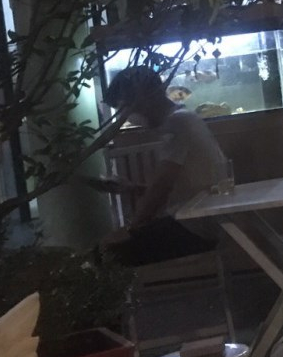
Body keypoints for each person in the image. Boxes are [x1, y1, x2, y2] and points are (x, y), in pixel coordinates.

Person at [95, 66, 226, 266]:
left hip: (195, 227)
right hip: (204, 219)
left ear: (143, 99)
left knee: (104, 254)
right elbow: (178, 187)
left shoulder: (177, 124)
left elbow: (162, 186)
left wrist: (131, 229)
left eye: (125, 108)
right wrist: (132, 188)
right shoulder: (185, 118)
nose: (127, 117)